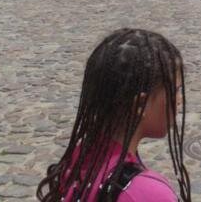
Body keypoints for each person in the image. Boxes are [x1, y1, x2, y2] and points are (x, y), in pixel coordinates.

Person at [37, 28, 191, 202]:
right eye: (176, 90)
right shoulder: (149, 194)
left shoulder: (79, 157)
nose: (180, 100)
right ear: (141, 104)